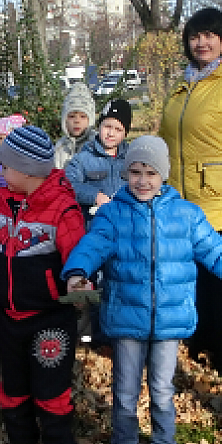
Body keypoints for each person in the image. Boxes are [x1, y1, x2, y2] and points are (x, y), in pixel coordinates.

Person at [62, 136, 222, 444]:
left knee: (162, 389)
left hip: (169, 319)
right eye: (134, 172)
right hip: (126, 316)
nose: (142, 181)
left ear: (164, 174)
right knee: (125, 391)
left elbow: (221, 254)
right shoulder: (113, 215)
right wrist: (77, 272)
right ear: (125, 173)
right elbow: (92, 246)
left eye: (150, 172)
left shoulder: (186, 216)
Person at [0, 125, 86, 444]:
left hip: (50, 321)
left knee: (51, 389)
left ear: (26, 171)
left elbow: (80, 262)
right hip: (9, 318)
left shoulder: (63, 209)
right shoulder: (4, 202)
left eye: (5, 167)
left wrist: (78, 291)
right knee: (14, 385)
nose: (0, 173)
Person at [160, 8, 222, 378]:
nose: (201, 43)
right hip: (179, 202)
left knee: (221, 284)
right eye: (194, 36)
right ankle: (200, 343)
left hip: (220, 201)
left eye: (209, 35)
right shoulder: (183, 86)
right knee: (194, 279)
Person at [64, 98, 132, 346]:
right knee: (94, 284)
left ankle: (117, 333)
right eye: (107, 127)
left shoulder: (131, 157)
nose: (111, 133)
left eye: (117, 129)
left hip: (124, 233)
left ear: (125, 132)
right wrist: (94, 196)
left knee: (119, 283)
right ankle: (94, 336)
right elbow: (68, 184)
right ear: (99, 126)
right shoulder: (84, 157)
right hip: (93, 232)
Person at [53, 82, 95, 169]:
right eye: (72, 116)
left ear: (90, 119)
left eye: (83, 117)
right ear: (65, 120)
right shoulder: (60, 146)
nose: (77, 121)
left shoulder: (96, 145)